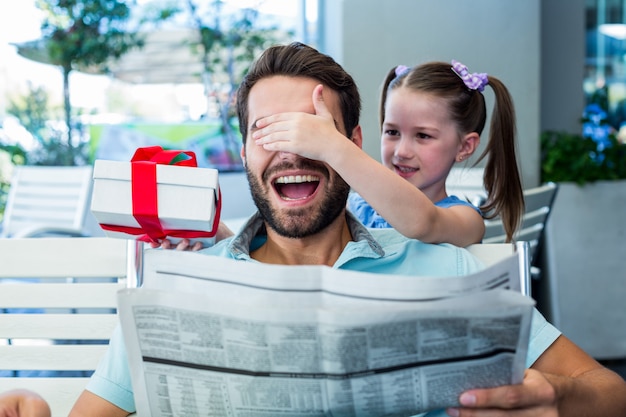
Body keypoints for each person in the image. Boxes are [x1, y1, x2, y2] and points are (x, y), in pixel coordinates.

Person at [69, 42, 626, 417]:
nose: (294, 148)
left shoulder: (443, 264)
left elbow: (609, 390)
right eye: (268, 130)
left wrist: (555, 396)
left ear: (352, 145)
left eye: (316, 131)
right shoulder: (177, 288)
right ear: (243, 151)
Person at [252, 59, 524, 246]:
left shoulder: (465, 220)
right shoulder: (354, 208)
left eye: (423, 136)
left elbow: (420, 223)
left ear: (464, 146)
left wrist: (333, 146)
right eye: (392, 132)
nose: (402, 151)